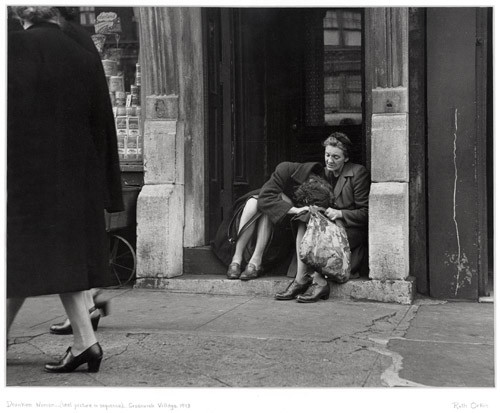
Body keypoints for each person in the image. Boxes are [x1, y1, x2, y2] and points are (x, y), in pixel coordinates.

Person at [7, 6, 123, 373]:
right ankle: (85, 341)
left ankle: (86, 342)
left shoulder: (15, 48)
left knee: (20, 256)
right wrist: (107, 184)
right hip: (77, 176)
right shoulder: (81, 49)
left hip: (30, 175)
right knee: (54, 260)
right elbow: (102, 119)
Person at [48, 6, 123, 336]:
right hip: (86, 160)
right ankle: (87, 311)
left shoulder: (63, 39)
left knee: (54, 248)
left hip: (69, 163)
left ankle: (86, 315)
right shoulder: (77, 39)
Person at [273, 133, 370, 302]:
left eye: (336, 157)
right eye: (327, 155)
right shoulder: (323, 173)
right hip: (327, 225)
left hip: (349, 229)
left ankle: (319, 282)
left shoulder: (357, 173)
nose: (330, 160)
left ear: (346, 158)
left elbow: (366, 212)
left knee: (320, 231)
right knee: (303, 219)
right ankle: (300, 279)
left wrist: (340, 213)